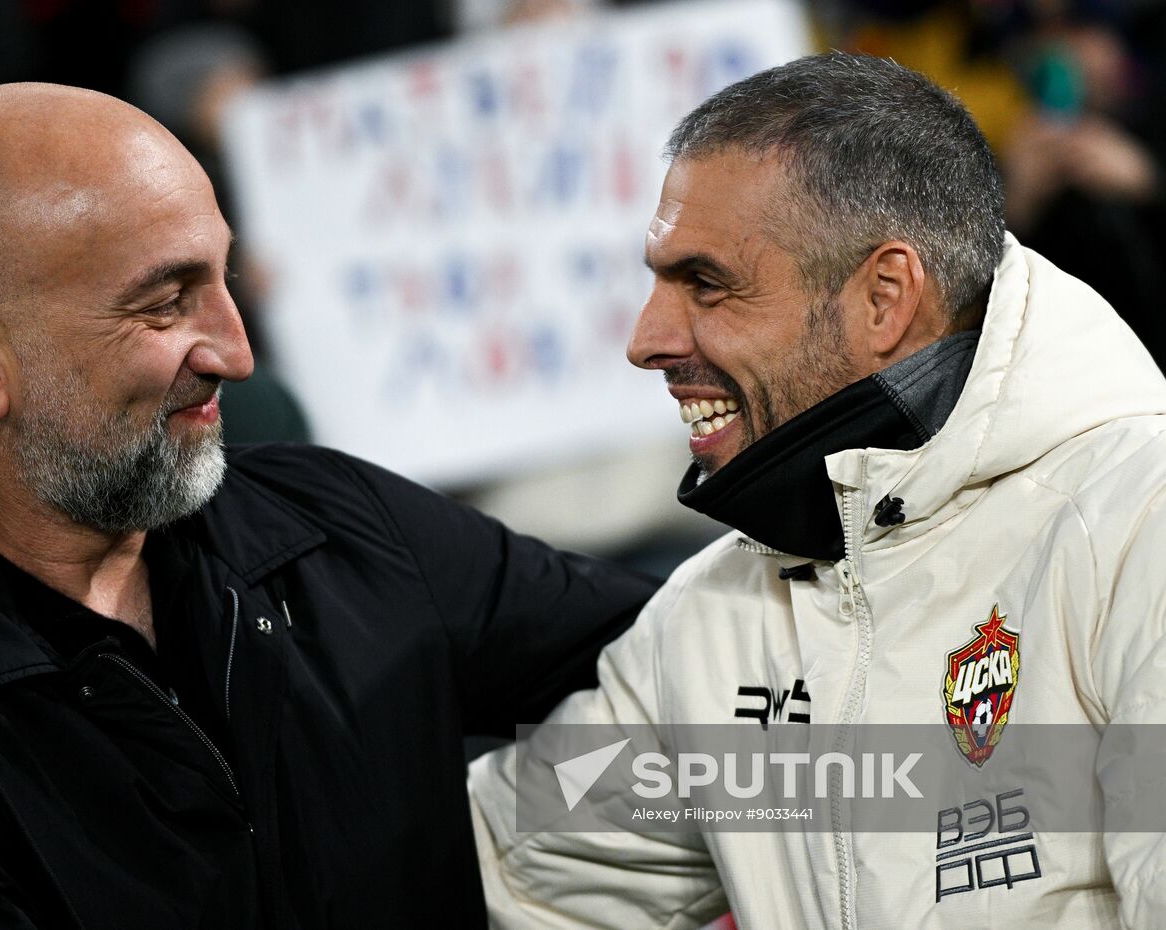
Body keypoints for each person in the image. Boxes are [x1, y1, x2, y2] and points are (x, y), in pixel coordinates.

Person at [0, 83, 657, 929]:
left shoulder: (335, 527)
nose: (236, 351)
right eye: (165, 302)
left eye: (228, 280)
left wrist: (514, 827)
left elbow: (713, 691)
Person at [470, 52, 1166, 928]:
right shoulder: (713, 611)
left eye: (707, 284)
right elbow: (504, 867)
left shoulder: (1140, 525)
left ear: (884, 298)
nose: (646, 340)